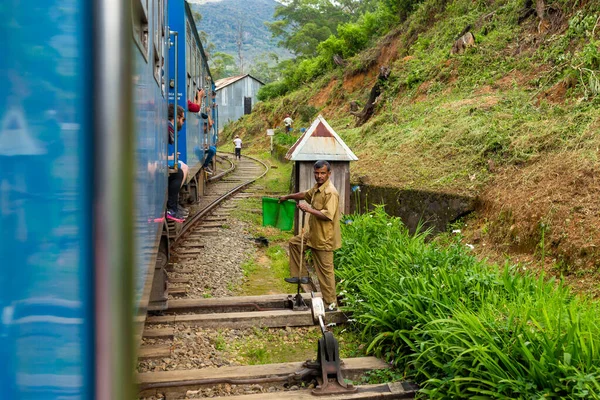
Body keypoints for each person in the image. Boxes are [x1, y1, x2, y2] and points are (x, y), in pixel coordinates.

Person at [279, 160, 341, 311]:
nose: (319, 176)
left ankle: (331, 305)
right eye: (317, 173)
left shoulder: (330, 192)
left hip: (324, 239)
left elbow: (328, 215)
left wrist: (308, 209)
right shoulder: (317, 188)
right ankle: (301, 276)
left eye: (322, 173)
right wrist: (288, 197)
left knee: (326, 274)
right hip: (312, 235)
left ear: (329, 174)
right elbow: (305, 194)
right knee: (295, 243)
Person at [167, 104, 190, 221]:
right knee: (180, 171)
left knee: (182, 167)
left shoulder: (167, 127)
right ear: (176, 117)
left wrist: (170, 157)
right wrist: (170, 158)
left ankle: (173, 204)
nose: (183, 122)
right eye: (182, 119)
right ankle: (171, 207)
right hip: (154, 163)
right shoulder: (168, 128)